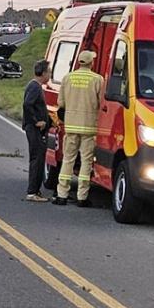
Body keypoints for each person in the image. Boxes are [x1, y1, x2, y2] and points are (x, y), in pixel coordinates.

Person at [52, 50, 103, 207]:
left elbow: (61, 103)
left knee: (68, 160)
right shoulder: (97, 79)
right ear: (90, 62)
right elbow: (101, 104)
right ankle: (82, 197)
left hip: (71, 125)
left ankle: (62, 194)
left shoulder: (68, 78)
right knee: (86, 162)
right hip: (89, 127)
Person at [23, 60, 52, 202]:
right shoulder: (34, 87)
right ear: (44, 73)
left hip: (34, 127)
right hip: (33, 128)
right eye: (49, 71)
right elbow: (27, 104)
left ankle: (35, 190)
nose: (50, 74)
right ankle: (32, 191)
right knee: (37, 158)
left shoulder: (35, 86)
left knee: (39, 158)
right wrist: (36, 121)